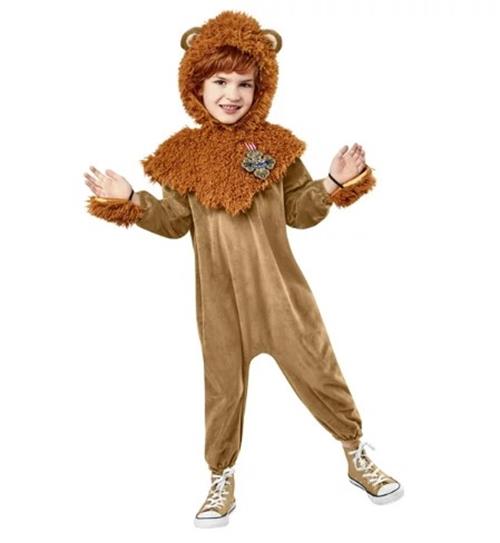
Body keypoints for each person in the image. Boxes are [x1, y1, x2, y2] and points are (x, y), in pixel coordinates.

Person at [84, 10, 404, 529]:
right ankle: (221, 477)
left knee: (319, 370)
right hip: (220, 302)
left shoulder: (276, 148)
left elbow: (299, 212)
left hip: (282, 295)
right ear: (196, 85)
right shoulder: (181, 156)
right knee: (222, 391)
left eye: (245, 83)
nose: (232, 94)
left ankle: (355, 451)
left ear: (261, 88)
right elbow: (172, 222)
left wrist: (332, 181)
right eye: (219, 81)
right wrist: (132, 199)